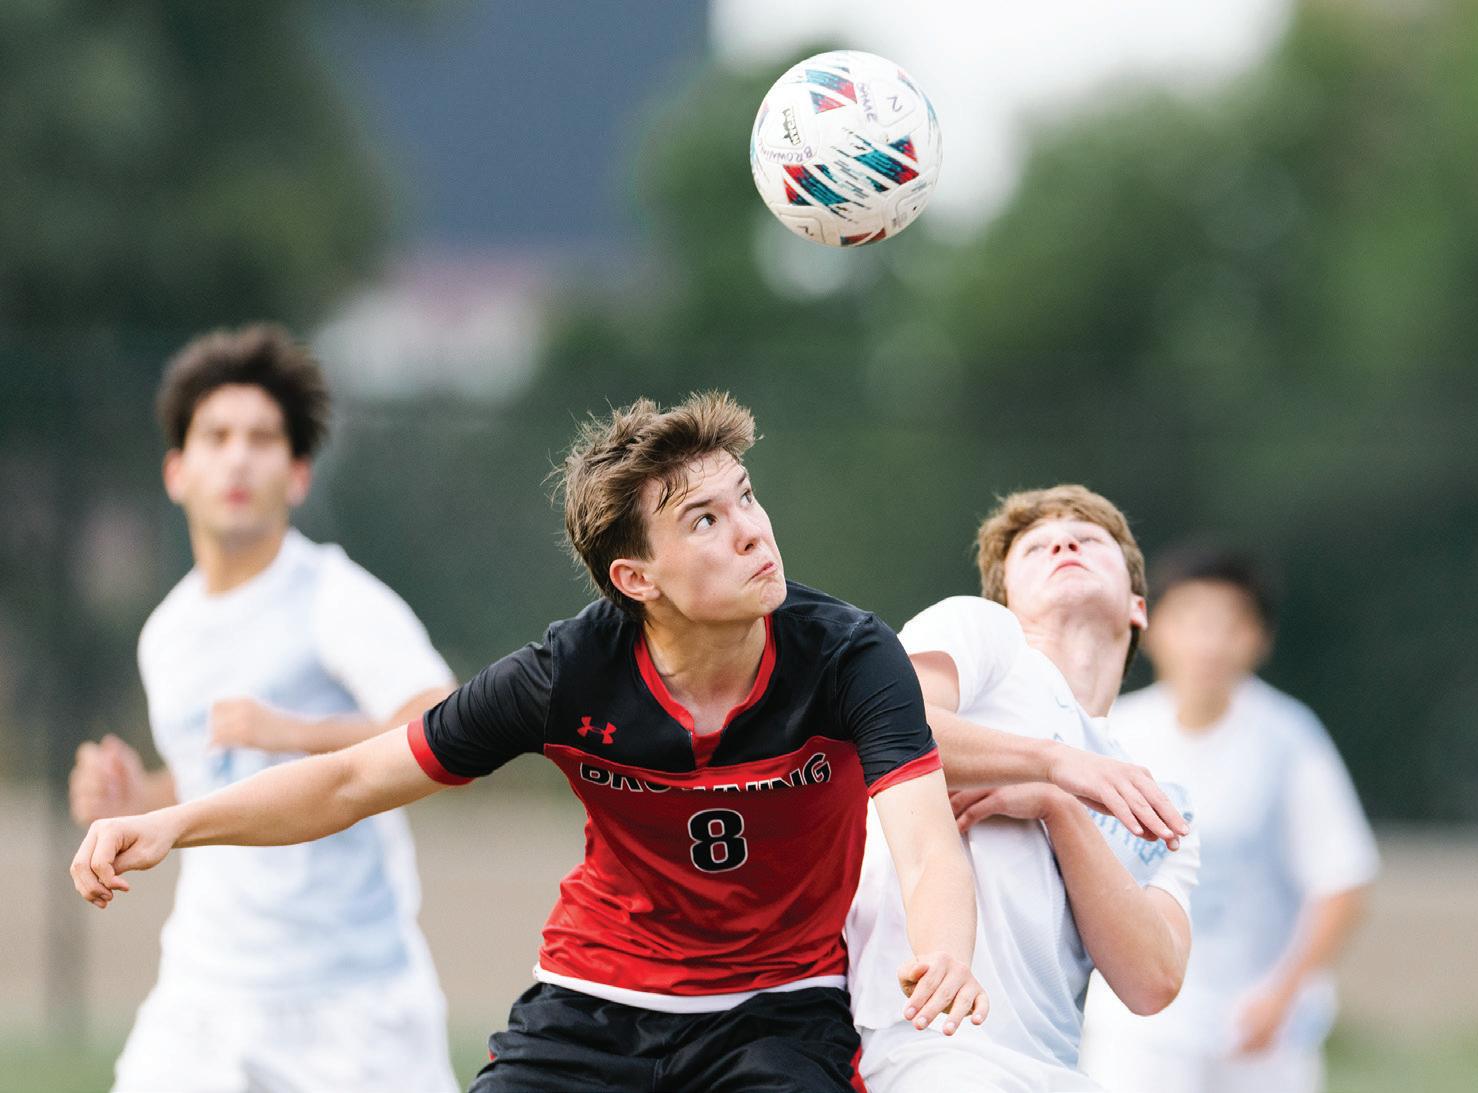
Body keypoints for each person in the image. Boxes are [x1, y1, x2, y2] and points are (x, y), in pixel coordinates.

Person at [73, 391, 1005, 1093]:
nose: (753, 532)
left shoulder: (849, 656)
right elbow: (354, 779)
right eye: (706, 520)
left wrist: (946, 949)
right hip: (594, 1003)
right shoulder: (568, 675)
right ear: (637, 578)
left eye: (746, 497)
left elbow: (926, 846)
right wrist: (172, 823)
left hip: (779, 1014)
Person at [66, 324, 460, 1092]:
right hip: (204, 990)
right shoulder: (167, 633)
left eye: (262, 438)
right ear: (177, 471)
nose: (239, 457)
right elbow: (214, 778)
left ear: (299, 474)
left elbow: (451, 728)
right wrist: (137, 797)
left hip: (352, 1000)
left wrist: (297, 732)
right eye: (216, 436)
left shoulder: (336, 598)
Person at [847, 484, 1199, 1093]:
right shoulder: (986, 635)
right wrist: (1051, 764)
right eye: (1036, 548)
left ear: (1137, 606)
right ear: (1006, 599)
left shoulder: (1154, 797)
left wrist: (1059, 809)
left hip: (1054, 1067)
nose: (1063, 544)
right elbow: (884, 727)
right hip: (929, 1041)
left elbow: (1154, 981)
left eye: (1089, 539)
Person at [1079, 545, 1379, 1093]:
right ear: (1152, 627)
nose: (1208, 643)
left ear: (1259, 639)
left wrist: (1283, 994)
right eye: (1191, 620)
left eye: (1229, 625)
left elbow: (1343, 878)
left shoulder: (1289, 739)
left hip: (1260, 1031)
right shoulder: (1115, 733)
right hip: (1137, 1032)